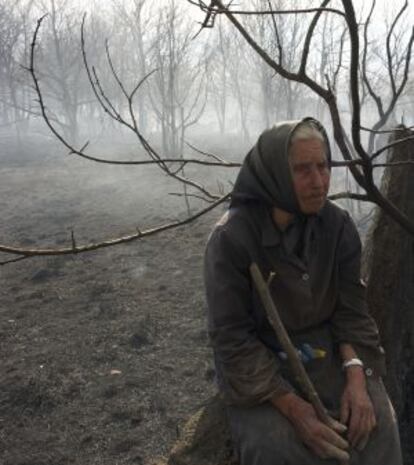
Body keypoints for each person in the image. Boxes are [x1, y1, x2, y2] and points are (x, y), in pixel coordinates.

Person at [204, 118, 402, 465]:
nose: (319, 182)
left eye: (323, 166)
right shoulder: (231, 239)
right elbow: (232, 338)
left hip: (329, 351)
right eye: (303, 170)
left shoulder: (337, 225)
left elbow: (352, 311)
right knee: (279, 448)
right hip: (261, 367)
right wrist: (295, 409)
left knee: (378, 427)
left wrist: (357, 378)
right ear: (276, 174)